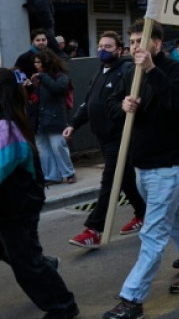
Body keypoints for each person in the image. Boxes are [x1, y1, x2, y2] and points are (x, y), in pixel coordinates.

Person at [103, 20, 179, 319]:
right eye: (132, 41)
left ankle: (132, 299)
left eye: (141, 41)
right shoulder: (130, 73)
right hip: (143, 164)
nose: (135, 46)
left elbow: (176, 103)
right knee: (176, 220)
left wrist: (151, 69)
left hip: (169, 165)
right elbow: (110, 103)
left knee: (153, 232)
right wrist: (123, 105)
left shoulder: (176, 70)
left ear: (157, 44)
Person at [0, 68, 79, 319]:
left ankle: (62, 306)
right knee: (21, 255)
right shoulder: (9, 121)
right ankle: (45, 265)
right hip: (13, 204)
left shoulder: (7, 128)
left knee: (27, 264)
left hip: (16, 207)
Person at [65, 31, 145, 249]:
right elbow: (88, 103)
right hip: (103, 138)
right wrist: (73, 125)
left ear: (119, 50)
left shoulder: (126, 71)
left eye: (108, 47)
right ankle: (143, 213)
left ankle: (93, 230)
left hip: (120, 138)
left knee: (109, 181)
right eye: (100, 46)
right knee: (126, 179)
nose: (102, 50)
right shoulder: (99, 73)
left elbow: (132, 103)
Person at [30, 50, 76, 185]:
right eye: (35, 62)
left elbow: (58, 88)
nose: (36, 65)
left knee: (58, 146)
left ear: (46, 62)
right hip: (39, 119)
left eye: (38, 62)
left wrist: (42, 77)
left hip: (54, 117)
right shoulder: (37, 78)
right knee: (43, 150)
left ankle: (68, 173)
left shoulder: (60, 76)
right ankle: (51, 176)